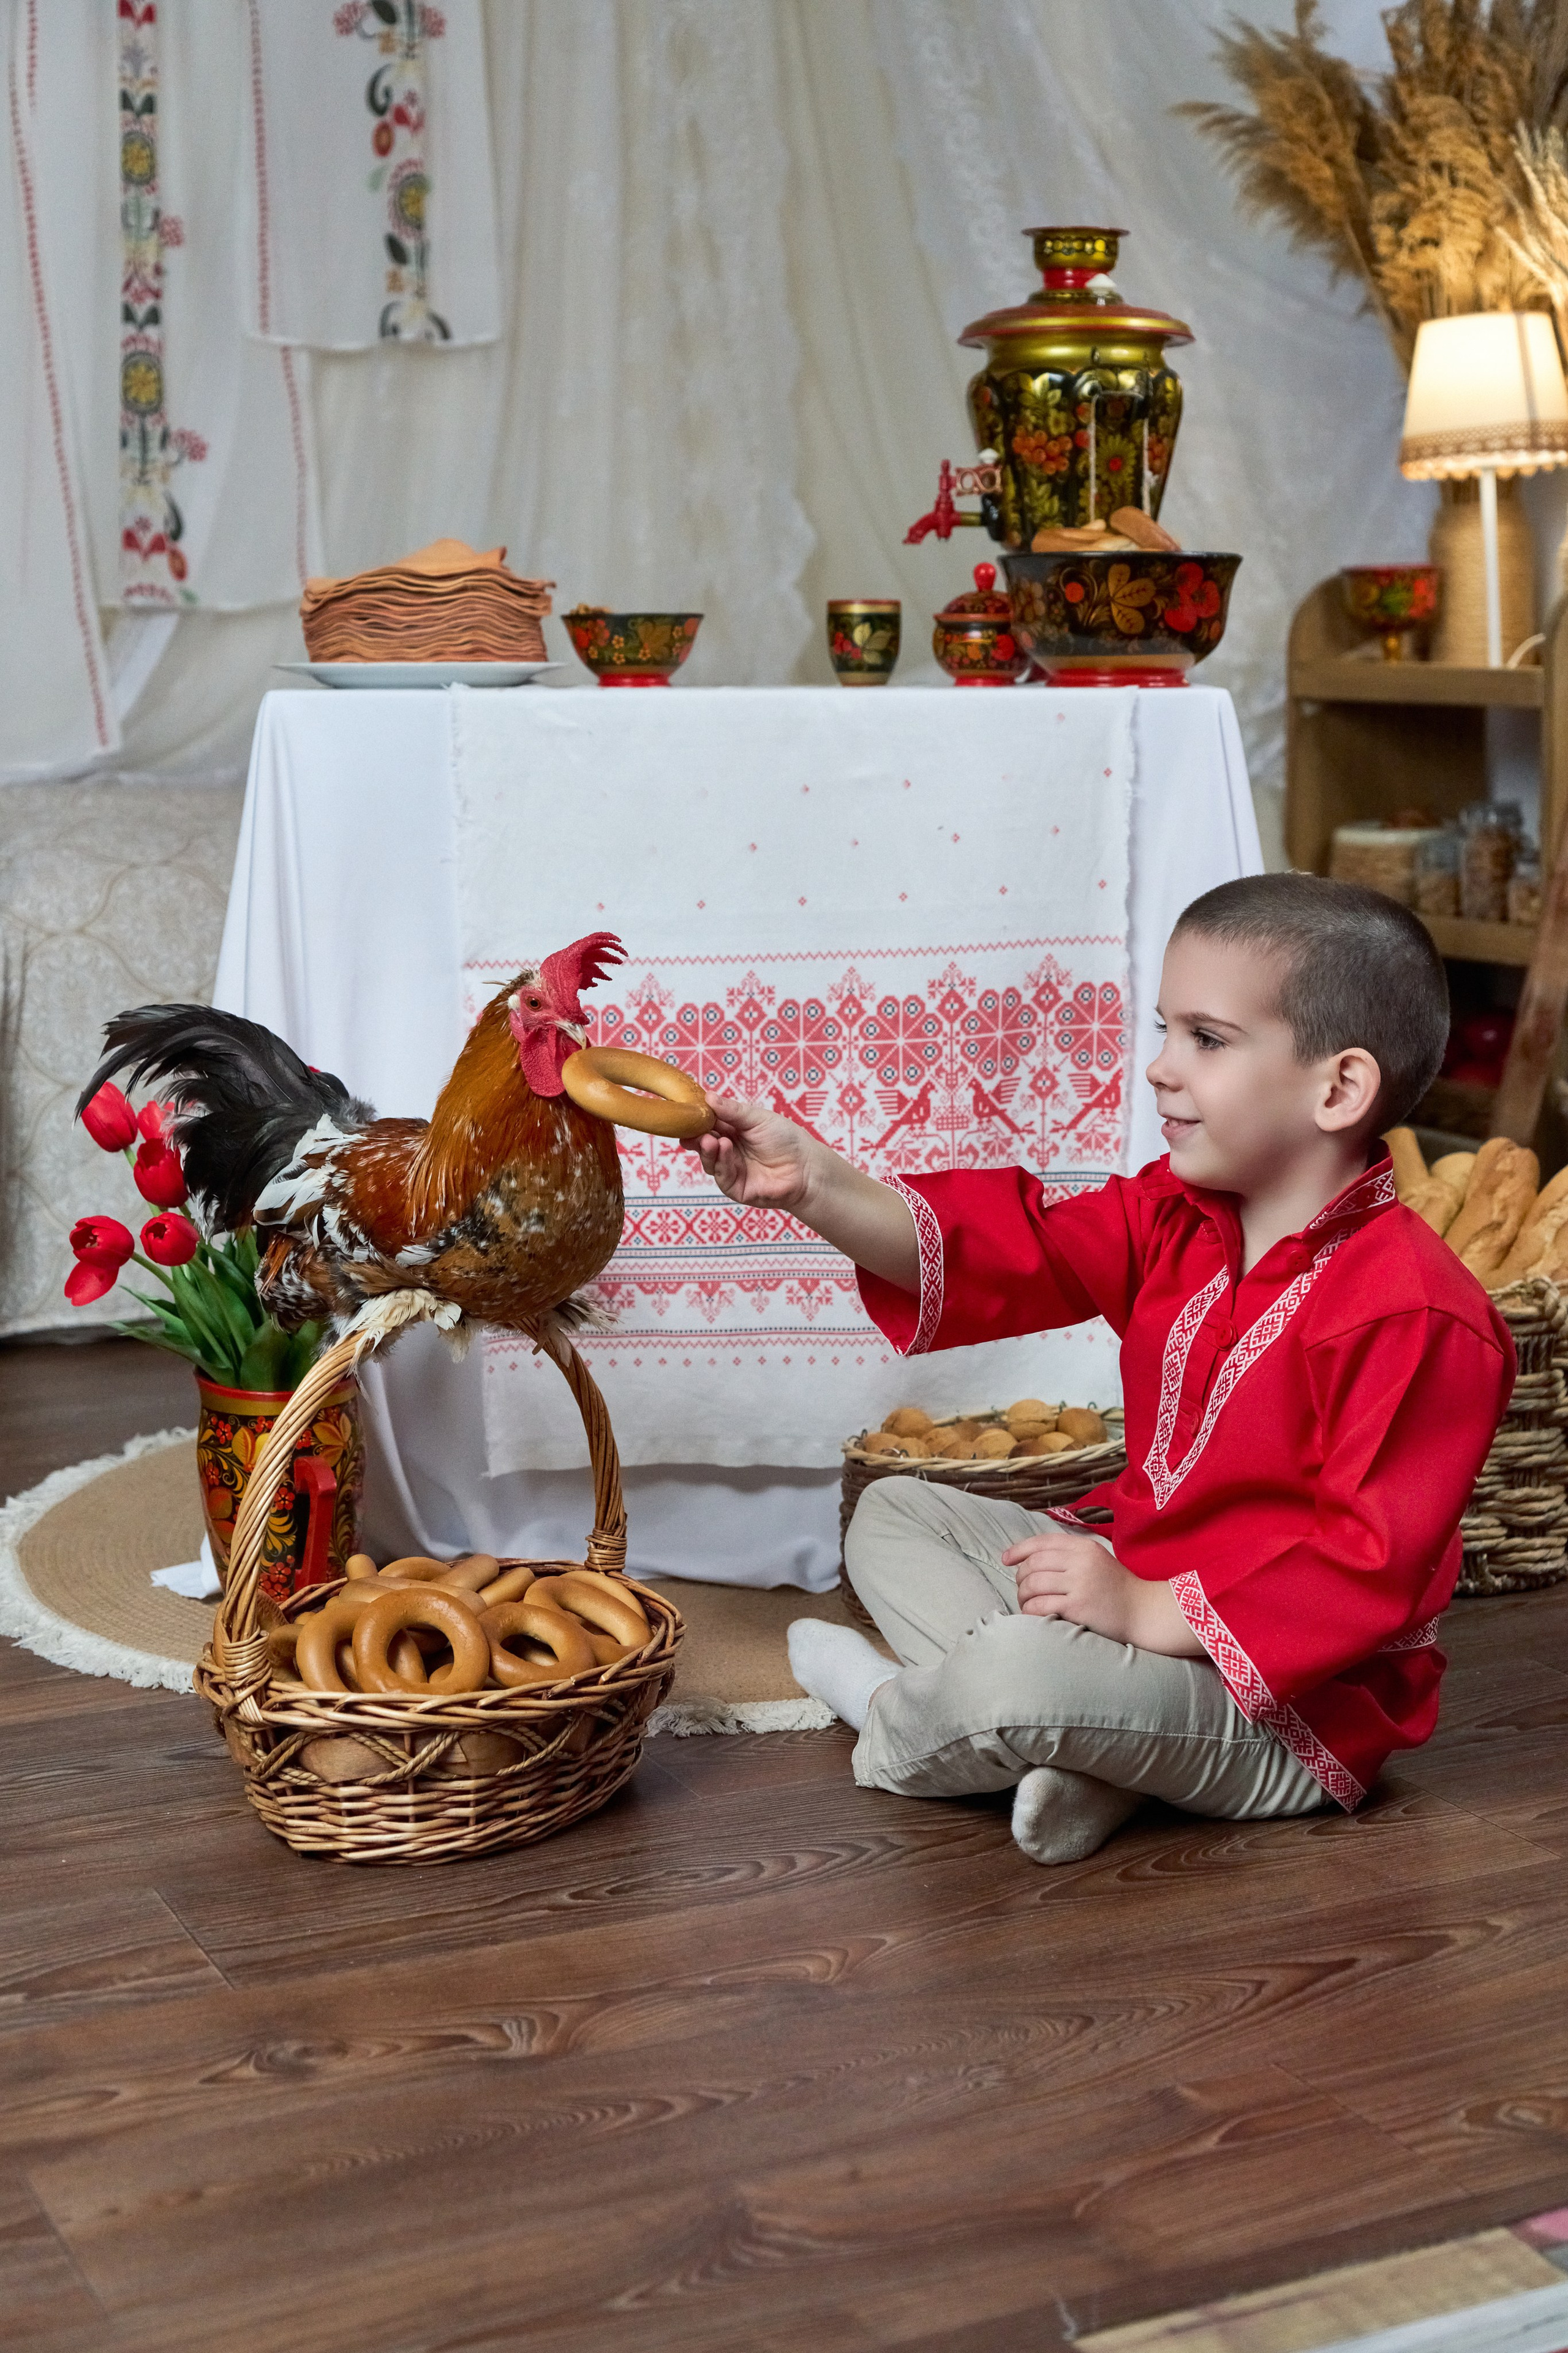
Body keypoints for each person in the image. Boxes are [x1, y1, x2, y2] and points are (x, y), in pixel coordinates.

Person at [682, 874, 1515, 1865]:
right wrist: (814, 1183)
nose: (1161, 1068)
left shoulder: (1419, 1311)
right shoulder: (1178, 1212)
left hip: (1292, 1712)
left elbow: (1367, 1569)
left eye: (1205, 1040)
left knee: (1020, 1672)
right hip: (1132, 1602)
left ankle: (889, 1712)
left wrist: (1148, 1609)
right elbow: (1010, 1247)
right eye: (1166, 1031)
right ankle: (1108, 1758)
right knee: (896, 1513)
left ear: (1339, 1088)